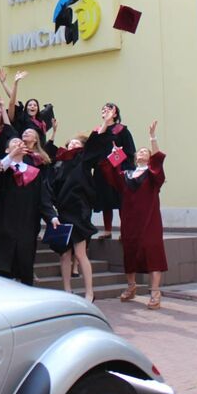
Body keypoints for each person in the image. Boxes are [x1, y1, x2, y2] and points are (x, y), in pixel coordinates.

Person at [92, 119, 166, 310]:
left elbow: (158, 162)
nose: (142, 153)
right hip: (130, 221)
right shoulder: (126, 175)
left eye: (145, 152)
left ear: (149, 158)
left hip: (149, 221)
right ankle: (131, 286)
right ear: (134, 158)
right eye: (139, 152)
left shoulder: (153, 175)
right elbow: (111, 171)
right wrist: (115, 153)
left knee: (152, 252)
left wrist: (152, 138)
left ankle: (155, 292)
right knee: (130, 252)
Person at [0, 137, 59, 286]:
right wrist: (9, 157)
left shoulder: (34, 173)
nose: (18, 143)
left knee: (24, 272)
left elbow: (43, 199)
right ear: (6, 150)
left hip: (25, 229)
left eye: (20, 142)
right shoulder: (0, 168)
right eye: (14, 142)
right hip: (1, 228)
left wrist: (52, 217)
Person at [49, 135, 97, 302]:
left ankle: (89, 292)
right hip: (62, 211)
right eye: (71, 142)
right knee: (64, 254)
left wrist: (104, 126)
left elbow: (94, 145)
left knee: (80, 253)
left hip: (79, 212)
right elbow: (52, 186)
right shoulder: (59, 163)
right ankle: (67, 290)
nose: (72, 144)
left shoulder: (84, 161)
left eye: (77, 142)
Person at [90, 102, 135, 240]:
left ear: (115, 114)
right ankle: (107, 230)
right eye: (103, 109)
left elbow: (130, 151)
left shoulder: (122, 130)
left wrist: (118, 156)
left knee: (122, 200)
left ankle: (124, 230)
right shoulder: (98, 131)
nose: (105, 110)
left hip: (118, 170)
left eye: (109, 109)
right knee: (106, 200)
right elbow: (92, 151)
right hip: (102, 170)